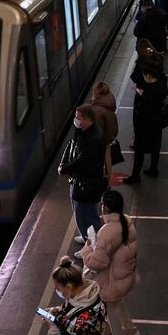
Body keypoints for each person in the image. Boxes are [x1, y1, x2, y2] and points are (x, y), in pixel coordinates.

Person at [78, 191, 140, 335]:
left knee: (110, 310)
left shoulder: (107, 231)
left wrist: (87, 249)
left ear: (105, 207)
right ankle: (131, 330)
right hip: (125, 276)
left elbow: (97, 263)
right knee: (119, 302)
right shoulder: (126, 221)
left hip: (111, 280)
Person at [59, 105, 106, 244]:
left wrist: (66, 169)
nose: (75, 120)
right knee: (79, 212)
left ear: (87, 119)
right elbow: (71, 145)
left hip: (87, 182)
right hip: (78, 179)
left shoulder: (94, 138)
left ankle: (94, 244)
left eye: (78, 117)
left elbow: (82, 160)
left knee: (89, 215)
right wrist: (64, 165)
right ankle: (86, 237)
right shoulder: (81, 130)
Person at [38, 256, 106, 335]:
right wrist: (58, 310)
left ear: (69, 286)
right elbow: (73, 309)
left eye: (58, 288)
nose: (57, 291)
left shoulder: (80, 322)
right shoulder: (92, 296)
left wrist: (52, 326)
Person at [127, 63, 168, 183]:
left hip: (145, 125)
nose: (144, 78)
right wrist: (142, 93)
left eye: (144, 75)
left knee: (139, 150)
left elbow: (144, 107)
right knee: (156, 147)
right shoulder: (161, 86)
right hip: (157, 124)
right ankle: (153, 169)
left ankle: (135, 176)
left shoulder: (150, 91)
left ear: (149, 76)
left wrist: (141, 96)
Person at [90, 82, 118, 180]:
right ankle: (108, 179)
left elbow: (96, 128)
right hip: (109, 135)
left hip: (101, 138)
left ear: (96, 92)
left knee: (99, 160)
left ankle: (101, 180)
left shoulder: (97, 109)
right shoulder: (109, 100)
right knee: (107, 157)